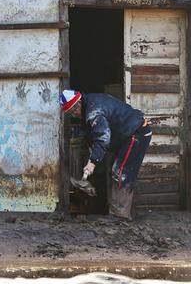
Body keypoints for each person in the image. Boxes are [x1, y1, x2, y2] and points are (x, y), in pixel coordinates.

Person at [59, 89, 152, 220]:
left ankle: (120, 216)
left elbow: (103, 137)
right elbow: (94, 135)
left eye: (74, 111)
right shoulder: (89, 102)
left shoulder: (93, 112)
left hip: (137, 132)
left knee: (121, 172)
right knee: (117, 170)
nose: (74, 115)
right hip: (124, 135)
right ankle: (120, 211)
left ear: (78, 103)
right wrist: (93, 156)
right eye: (70, 113)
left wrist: (92, 162)